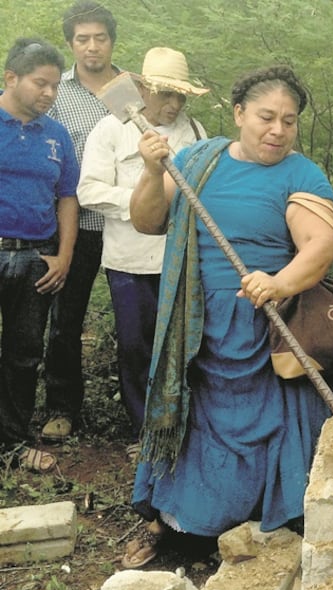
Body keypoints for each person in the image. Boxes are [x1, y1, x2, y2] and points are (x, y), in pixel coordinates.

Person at [123, 66, 333, 567]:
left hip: (267, 324)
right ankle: (187, 526)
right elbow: (147, 220)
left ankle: (271, 521)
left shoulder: (301, 174)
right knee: (197, 423)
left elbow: (321, 244)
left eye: (289, 121)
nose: (278, 130)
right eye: (267, 117)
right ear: (239, 114)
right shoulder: (197, 160)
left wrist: (279, 282)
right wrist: (152, 171)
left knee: (272, 424)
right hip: (194, 325)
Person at [76, 47, 207, 458]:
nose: (174, 104)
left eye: (180, 96)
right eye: (166, 94)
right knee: (136, 346)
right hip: (129, 261)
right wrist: (143, 201)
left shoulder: (195, 132)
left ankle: (182, 428)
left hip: (181, 259)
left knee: (184, 346)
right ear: (144, 89)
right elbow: (89, 190)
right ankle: (143, 432)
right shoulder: (111, 129)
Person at [41, 1, 121, 441]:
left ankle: (140, 409)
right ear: (71, 44)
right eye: (83, 39)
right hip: (76, 225)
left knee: (138, 321)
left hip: (130, 226)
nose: (92, 47)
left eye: (100, 38)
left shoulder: (131, 88)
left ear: (112, 41)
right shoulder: (58, 92)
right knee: (65, 320)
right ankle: (62, 406)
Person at [0, 38, 79, 472]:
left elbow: (67, 197)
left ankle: (12, 444)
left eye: (54, 86)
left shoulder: (56, 135)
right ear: (11, 78)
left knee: (23, 355)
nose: (49, 93)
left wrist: (64, 256)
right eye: (40, 83)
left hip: (36, 259)